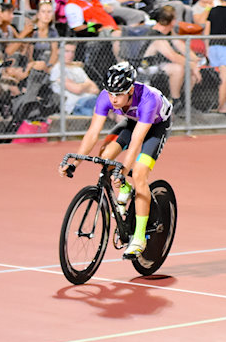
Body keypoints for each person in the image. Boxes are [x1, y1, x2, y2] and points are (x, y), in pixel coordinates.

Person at [61, 62, 173, 259]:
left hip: (155, 126)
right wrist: (75, 163)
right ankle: (124, 189)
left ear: (130, 90)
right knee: (105, 156)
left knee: (138, 173)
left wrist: (123, 171)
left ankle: (139, 237)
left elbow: (138, 140)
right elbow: (93, 133)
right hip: (132, 122)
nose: (113, 99)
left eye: (119, 94)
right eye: (111, 93)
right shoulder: (107, 96)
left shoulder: (148, 99)